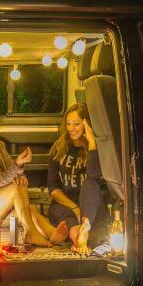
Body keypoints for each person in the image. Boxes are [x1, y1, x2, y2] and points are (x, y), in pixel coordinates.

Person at [0, 104, 67, 247]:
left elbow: (10, 167)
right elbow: (0, 180)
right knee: (15, 189)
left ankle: (52, 233)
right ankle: (30, 233)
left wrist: (20, 171)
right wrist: (17, 169)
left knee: (28, 210)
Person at [47, 102, 103, 255]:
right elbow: (52, 188)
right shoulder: (58, 148)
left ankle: (80, 231)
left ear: (86, 124)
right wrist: (75, 208)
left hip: (89, 201)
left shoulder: (96, 148)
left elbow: (94, 175)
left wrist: (92, 142)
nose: (72, 128)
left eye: (77, 124)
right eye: (68, 124)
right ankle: (80, 238)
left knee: (90, 182)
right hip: (64, 202)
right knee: (68, 216)